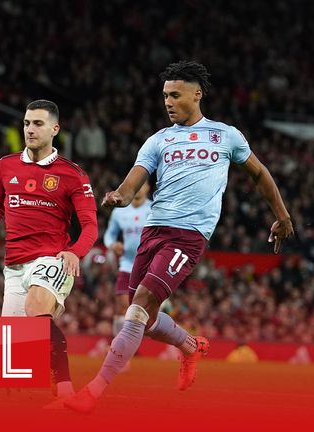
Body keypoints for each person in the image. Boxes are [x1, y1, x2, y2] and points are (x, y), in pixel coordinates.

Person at [64, 61, 294, 412]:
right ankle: (189, 345)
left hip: (188, 236)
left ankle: (92, 393)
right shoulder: (159, 140)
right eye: (164, 96)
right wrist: (116, 197)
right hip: (153, 231)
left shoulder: (224, 135)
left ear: (196, 94)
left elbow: (259, 174)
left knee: (138, 308)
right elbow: (130, 187)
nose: (168, 101)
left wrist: (282, 216)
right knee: (144, 318)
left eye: (175, 94)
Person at [0, 100, 98, 406]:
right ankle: (40, 385)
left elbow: (90, 225)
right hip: (14, 266)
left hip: (53, 258)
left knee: (37, 310)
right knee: (16, 348)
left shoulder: (73, 175)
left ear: (55, 129)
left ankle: (67, 393)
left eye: (37, 123)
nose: (30, 129)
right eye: (26, 123)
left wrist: (75, 252)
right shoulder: (5, 165)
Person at [103, 180, 152, 339]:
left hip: (149, 266)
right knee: (122, 307)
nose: (138, 188)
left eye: (142, 184)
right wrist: (112, 244)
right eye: (136, 185)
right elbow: (109, 235)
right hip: (127, 264)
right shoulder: (119, 212)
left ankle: (134, 344)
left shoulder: (154, 209)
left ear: (147, 188)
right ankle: (119, 348)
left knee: (144, 310)